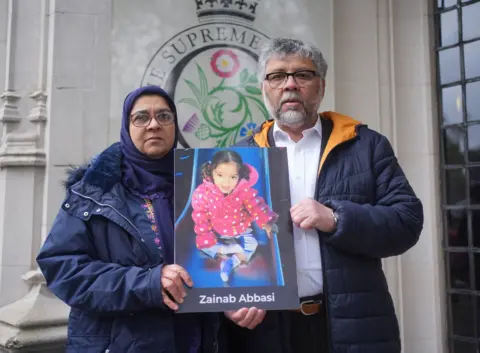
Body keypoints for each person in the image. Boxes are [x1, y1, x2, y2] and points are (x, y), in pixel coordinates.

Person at [222, 38, 424, 353]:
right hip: (267, 331)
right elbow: (221, 239)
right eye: (277, 76)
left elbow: (406, 222)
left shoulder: (366, 146)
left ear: (321, 86)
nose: (290, 85)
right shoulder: (237, 158)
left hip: (353, 324)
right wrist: (232, 300)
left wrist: (335, 218)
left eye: (302, 75)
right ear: (264, 88)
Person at [36, 86, 223, 353]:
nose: (154, 125)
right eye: (141, 118)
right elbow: (62, 269)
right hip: (120, 343)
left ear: (175, 125)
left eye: (164, 116)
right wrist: (147, 283)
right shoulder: (94, 191)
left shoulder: (202, 186)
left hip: (195, 339)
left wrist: (234, 299)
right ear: (127, 125)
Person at [191, 149, 279, 284]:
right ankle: (226, 251)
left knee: (253, 244)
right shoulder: (203, 193)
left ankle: (231, 262)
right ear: (211, 172)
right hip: (216, 232)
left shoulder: (243, 189)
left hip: (241, 229)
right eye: (220, 175)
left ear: (240, 175)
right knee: (203, 244)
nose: (226, 182)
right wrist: (208, 238)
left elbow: (256, 205)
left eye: (233, 177)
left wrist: (266, 223)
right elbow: (200, 218)